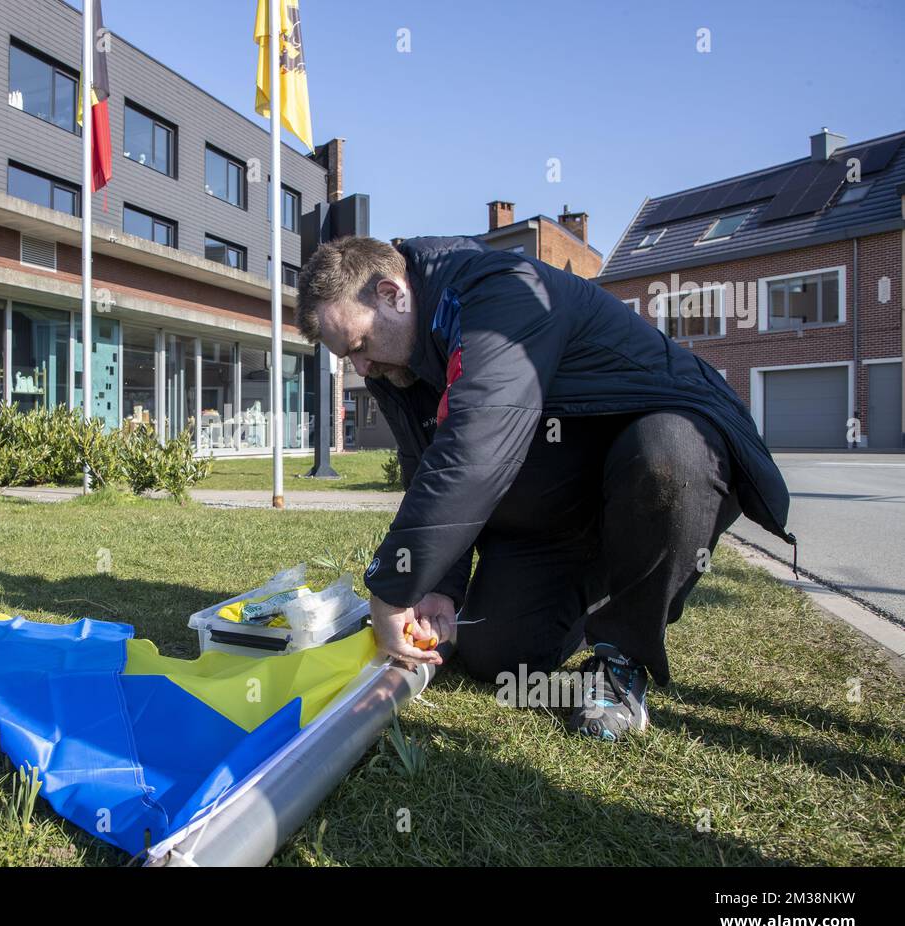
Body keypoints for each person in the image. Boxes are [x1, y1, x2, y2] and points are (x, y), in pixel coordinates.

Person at [295, 235, 795, 741]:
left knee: (668, 457)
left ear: (392, 294)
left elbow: (475, 450)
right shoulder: (396, 366)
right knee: (497, 654)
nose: (360, 368)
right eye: (346, 357)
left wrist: (389, 592)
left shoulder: (500, 295)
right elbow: (426, 466)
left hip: (663, 458)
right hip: (561, 516)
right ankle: (599, 585)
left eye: (357, 346)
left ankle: (621, 658)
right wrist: (438, 588)